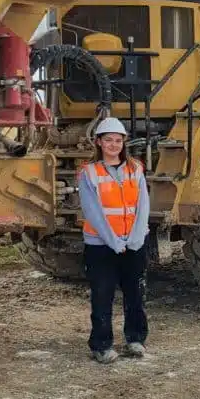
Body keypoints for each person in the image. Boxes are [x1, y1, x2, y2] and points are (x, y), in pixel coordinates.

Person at [77, 116, 151, 364]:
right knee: (102, 295)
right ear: (98, 142)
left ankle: (136, 339)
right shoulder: (89, 173)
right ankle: (101, 345)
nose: (113, 144)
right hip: (101, 246)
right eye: (108, 140)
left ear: (124, 142)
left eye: (118, 140)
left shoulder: (135, 168)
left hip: (133, 244)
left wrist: (137, 237)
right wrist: (112, 240)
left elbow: (143, 205)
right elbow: (92, 212)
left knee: (135, 294)